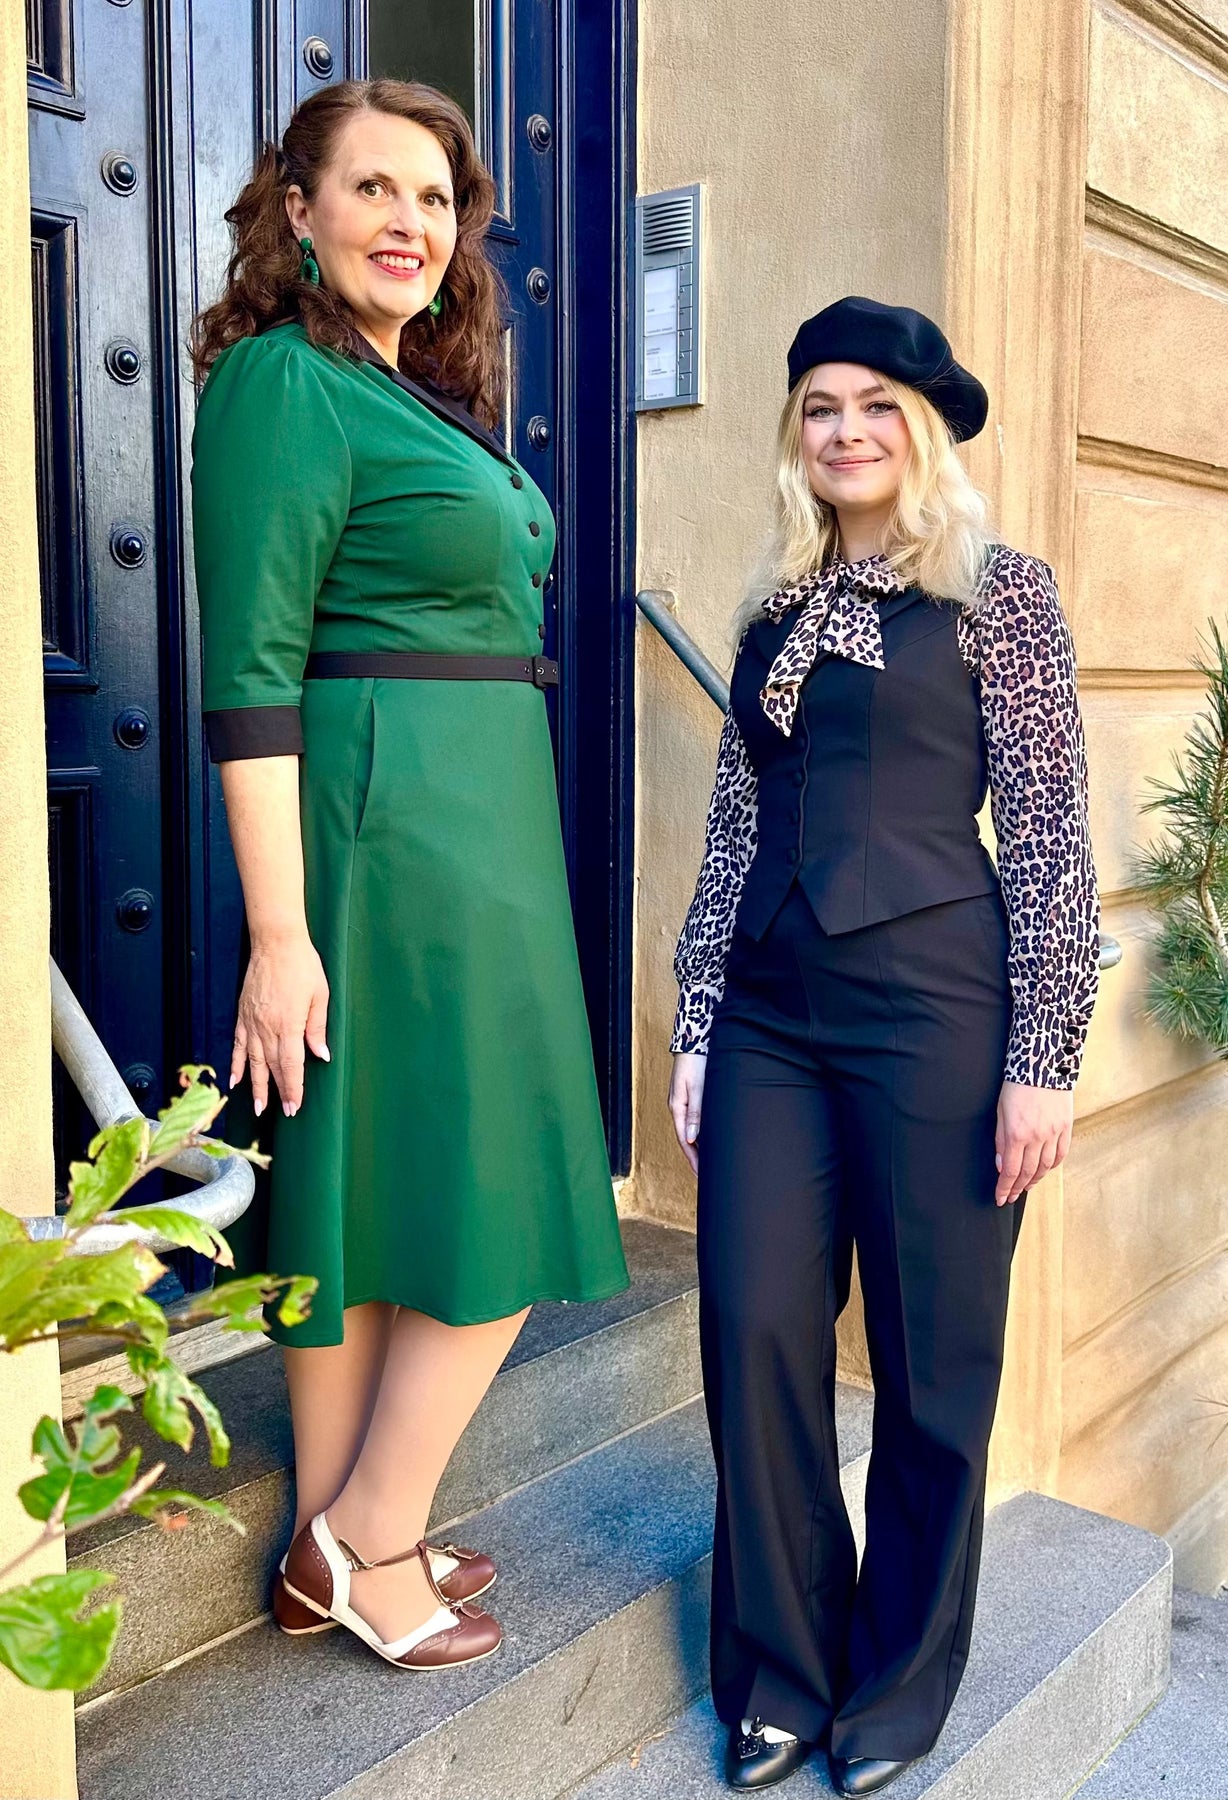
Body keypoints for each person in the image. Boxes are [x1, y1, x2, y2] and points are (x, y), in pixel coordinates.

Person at [190, 78, 627, 1673]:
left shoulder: (406, 394)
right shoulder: (282, 382)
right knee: (495, 1183)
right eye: (372, 188)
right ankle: (374, 1537)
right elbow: (251, 672)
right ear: (297, 211)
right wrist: (279, 932)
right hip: (389, 833)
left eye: (434, 198)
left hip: (471, 821)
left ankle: (326, 1542)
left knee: (371, 1185)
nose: (408, 221)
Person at [668, 297, 1099, 1794]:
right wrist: (698, 1020)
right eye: (819, 406)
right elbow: (736, 826)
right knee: (754, 1333)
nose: (844, 431)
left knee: (931, 1363)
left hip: (937, 1014)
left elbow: (1047, 837)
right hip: (771, 1017)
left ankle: (901, 1681)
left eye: (874, 408)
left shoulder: (1000, 598)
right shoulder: (768, 609)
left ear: (919, 432)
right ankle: (781, 1672)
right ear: (795, 432)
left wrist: (1043, 1057)